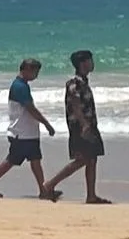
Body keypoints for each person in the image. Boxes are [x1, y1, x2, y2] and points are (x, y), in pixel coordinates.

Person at [0, 58, 54, 198]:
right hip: (22, 132)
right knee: (12, 160)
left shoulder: (21, 85)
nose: (36, 76)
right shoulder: (20, 87)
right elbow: (30, 109)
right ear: (27, 70)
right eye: (35, 72)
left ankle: (43, 190)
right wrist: (46, 123)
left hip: (27, 132)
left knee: (35, 160)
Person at [41, 50, 109, 204]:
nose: (92, 63)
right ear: (82, 63)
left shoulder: (83, 82)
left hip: (89, 125)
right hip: (80, 127)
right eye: (90, 60)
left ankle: (91, 195)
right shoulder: (75, 83)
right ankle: (49, 185)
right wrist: (84, 125)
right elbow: (75, 105)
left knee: (92, 159)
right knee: (82, 159)